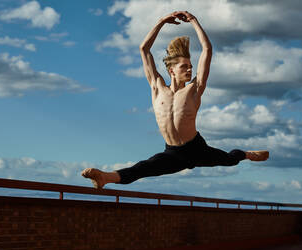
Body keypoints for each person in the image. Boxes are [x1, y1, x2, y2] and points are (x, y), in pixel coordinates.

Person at [82, 11, 269, 189]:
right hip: (173, 152)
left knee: (229, 159)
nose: (189, 70)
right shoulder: (157, 88)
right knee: (143, 168)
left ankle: (247, 154)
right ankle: (105, 177)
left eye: (191, 66)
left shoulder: (194, 89)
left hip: (196, 148)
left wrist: (194, 21)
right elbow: (144, 49)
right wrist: (162, 21)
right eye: (184, 67)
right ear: (171, 70)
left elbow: (207, 49)